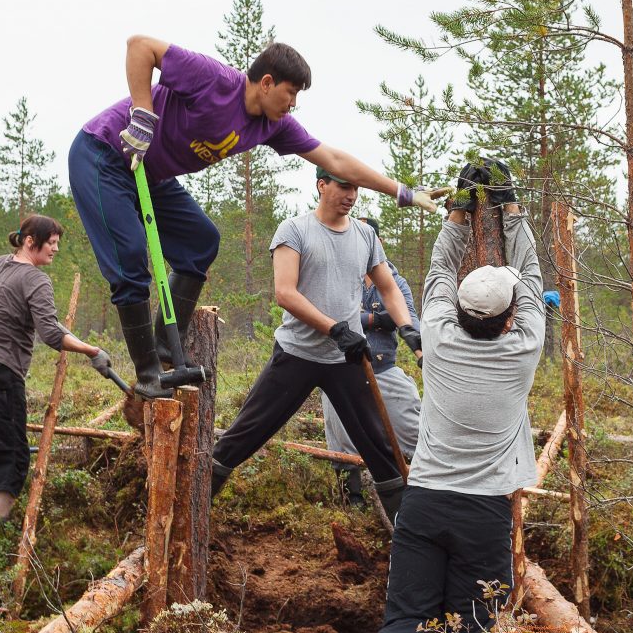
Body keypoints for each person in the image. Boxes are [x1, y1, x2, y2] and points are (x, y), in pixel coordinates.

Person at [68, 37, 442, 411]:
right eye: (290, 92)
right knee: (130, 258)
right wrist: (143, 115)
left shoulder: (273, 126)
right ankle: (148, 373)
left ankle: (167, 344)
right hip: (103, 153)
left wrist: (402, 192)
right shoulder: (213, 80)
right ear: (266, 82)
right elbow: (140, 47)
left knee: (201, 242)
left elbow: (335, 160)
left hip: (151, 174)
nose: (293, 104)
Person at [378, 162, 545, 633]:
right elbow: (531, 272)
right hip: (485, 513)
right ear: (511, 315)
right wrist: (509, 206)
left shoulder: (438, 337)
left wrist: (457, 210)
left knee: (405, 629)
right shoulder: (524, 347)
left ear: (459, 311)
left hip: (425, 501)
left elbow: (439, 271)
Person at [211, 167, 423, 518]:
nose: (351, 194)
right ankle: (195, 501)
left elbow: (387, 287)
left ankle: (407, 534)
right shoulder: (294, 230)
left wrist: (407, 328)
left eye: (355, 187)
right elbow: (285, 292)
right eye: (343, 186)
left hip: (345, 362)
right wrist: (336, 329)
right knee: (246, 433)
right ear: (321, 185)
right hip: (298, 355)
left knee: (380, 449)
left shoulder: (365, 235)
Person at [0, 214, 114, 525]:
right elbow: (50, 334)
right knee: (10, 447)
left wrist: (1, 303)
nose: (56, 250)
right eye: (52, 243)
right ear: (31, 242)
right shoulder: (36, 279)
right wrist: (92, 351)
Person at [323, 216, 421, 508]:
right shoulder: (335, 276)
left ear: (377, 243)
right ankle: (352, 500)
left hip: (384, 368)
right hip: (341, 371)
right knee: (340, 435)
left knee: (414, 429)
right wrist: (377, 319)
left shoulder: (394, 280)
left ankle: (425, 492)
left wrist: (368, 319)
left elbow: (407, 320)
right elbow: (332, 319)